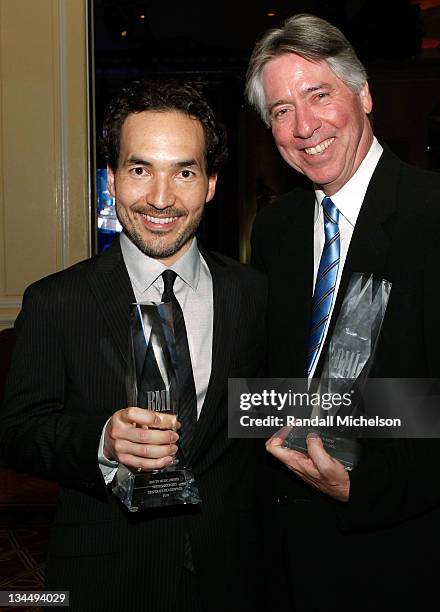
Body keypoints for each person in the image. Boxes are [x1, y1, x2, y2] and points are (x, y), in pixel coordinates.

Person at [0, 79, 266, 612]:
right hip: (109, 572)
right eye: (140, 169)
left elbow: (255, 412)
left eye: (184, 172)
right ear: (113, 178)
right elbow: (18, 431)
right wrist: (102, 442)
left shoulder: (254, 293)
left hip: (237, 572)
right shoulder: (55, 301)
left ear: (211, 183)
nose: (161, 198)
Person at [245, 13, 440, 612]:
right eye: (280, 111)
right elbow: (280, 379)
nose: (303, 127)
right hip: (285, 543)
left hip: (397, 547)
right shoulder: (276, 228)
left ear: (365, 93)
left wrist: (360, 485)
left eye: (318, 95)